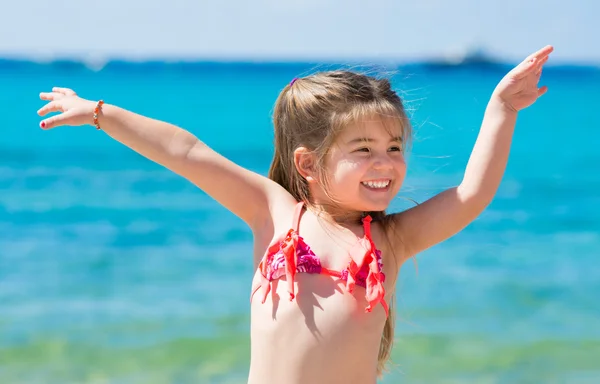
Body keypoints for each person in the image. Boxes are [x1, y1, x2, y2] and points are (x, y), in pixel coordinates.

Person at [36, 45, 553, 384]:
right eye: (364, 148)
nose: (386, 163)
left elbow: (472, 194)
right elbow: (187, 152)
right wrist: (101, 113)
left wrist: (501, 109)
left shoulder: (390, 241)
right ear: (308, 163)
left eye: (395, 148)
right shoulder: (277, 213)